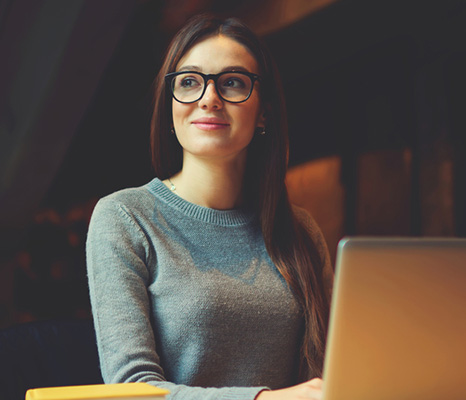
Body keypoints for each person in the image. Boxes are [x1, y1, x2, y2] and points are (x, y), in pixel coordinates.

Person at [86, 14, 332, 400]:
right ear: (170, 105)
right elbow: (131, 390)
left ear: (264, 111)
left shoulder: (300, 230)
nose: (209, 98)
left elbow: (330, 372)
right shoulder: (125, 217)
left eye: (232, 82)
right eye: (189, 82)